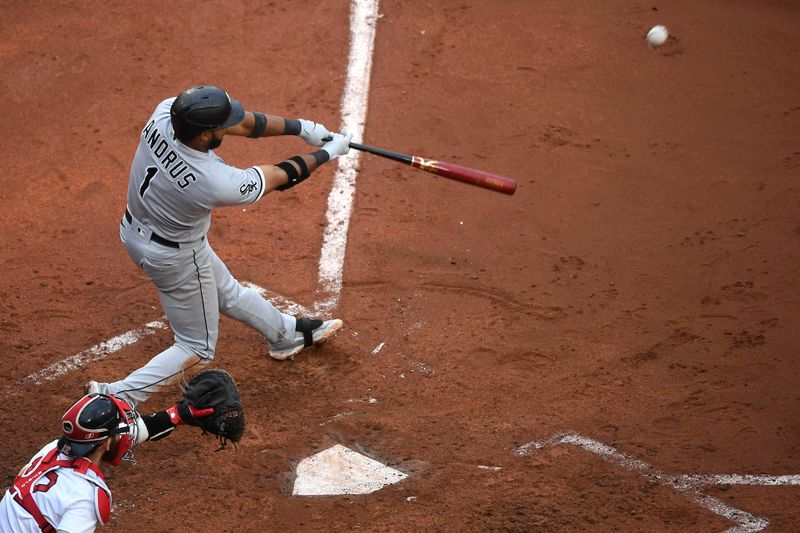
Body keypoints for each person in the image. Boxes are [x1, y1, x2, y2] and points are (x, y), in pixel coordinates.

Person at [87, 85, 352, 405]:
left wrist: (300, 127)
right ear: (203, 136)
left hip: (138, 230)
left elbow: (243, 123)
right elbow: (281, 176)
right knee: (196, 348)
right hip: (174, 256)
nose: (229, 127)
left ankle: (284, 334)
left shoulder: (165, 114)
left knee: (225, 290)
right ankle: (116, 397)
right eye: (219, 126)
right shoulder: (212, 181)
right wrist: (328, 152)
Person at [0, 392, 209, 532]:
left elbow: (120, 436)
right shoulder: (85, 497)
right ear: (105, 444)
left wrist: (177, 415)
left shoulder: (52, 450)